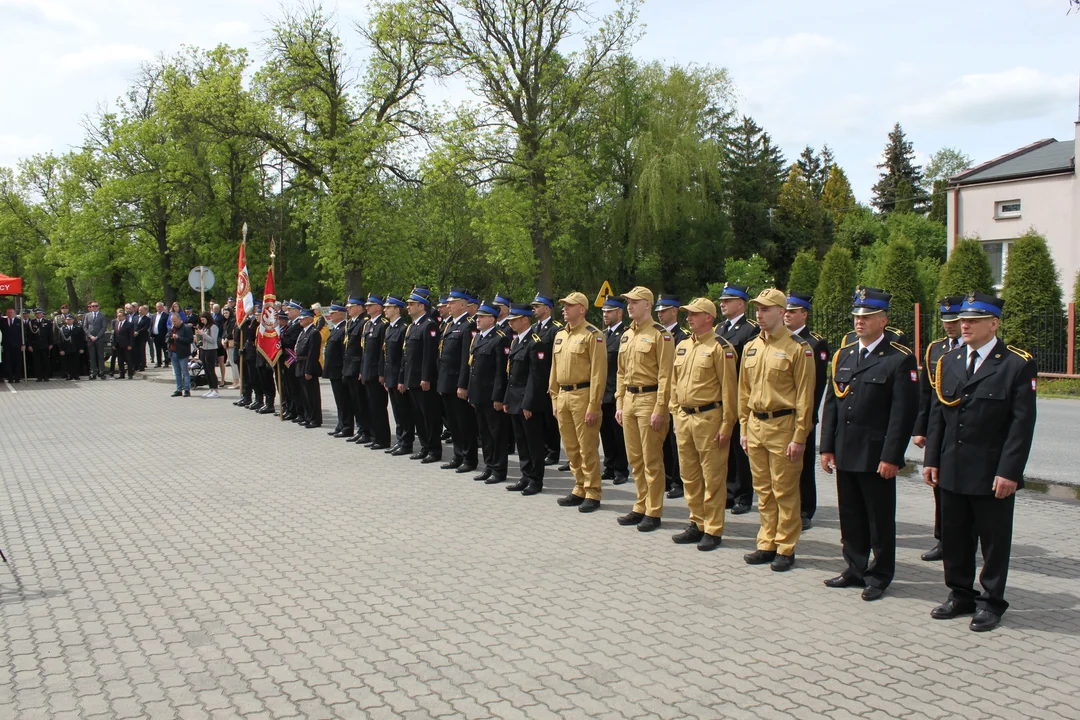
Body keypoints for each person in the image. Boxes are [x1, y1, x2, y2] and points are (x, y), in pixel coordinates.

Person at [923, 292, 1038, 633]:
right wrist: (932, 459)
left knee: (993, 540)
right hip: (953, 466)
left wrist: (1009, 471)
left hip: (991, 470)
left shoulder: (1016, 363)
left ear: (994, 323)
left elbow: (1021, 424)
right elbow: (939, 414)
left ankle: (991, 602)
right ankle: (960, 594)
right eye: (962, 320)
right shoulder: (951, 359)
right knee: (955, 537)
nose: (964, 324)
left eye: (973, 320)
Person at [820, 287, 919, 601]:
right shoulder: (844, 353)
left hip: (876, 454)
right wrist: (826, 447)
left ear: (883, 320)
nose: (860, 322)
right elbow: (833, 404)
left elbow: (902, 414)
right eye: (857, 316)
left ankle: (879, 575)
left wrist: (892, 456)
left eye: (867, 317)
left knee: (879, 518)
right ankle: (854, 567)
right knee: (850, 515)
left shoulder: (898, 359)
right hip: (846, 449)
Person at [738, 288, 815, 572]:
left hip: (783, 426)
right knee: (763, 489)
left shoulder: (798, 348)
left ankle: (786, 546)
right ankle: (766, 541)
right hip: (756, 426)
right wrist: (744, 428)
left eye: (766, 309)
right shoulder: (751, 347)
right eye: (757, 309)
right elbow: (742, 392)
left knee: (784, 490)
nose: (759, 314)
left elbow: (805, 397)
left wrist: (799, 437)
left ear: (782, 313)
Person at [662, 298, 738, 551]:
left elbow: (729, 390)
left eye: (695, 314)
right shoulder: (683, 345)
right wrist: (674, 411)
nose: (689, 318)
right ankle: (697, 521)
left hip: (709, 418)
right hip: (684, 418)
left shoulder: (720, 347)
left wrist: (727, 425)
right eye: (688, 314)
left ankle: (713, 528)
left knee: (713, 476)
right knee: (689, 475)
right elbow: (674, 382)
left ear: (708, 317)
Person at [614, 286, 675, 532]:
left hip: (649, 400)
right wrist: (619, 402)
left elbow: (666, 375)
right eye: (628, 302)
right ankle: (640, 504)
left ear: (648, 305)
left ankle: (653, 510)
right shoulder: (627, 334)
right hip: (629, 400)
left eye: (634, 302)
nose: (629, 306)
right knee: (635, 459)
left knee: (652, 460)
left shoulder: (660, 335)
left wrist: (661, 409)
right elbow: (620, 372)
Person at [911, 296, 965, 562]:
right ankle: (943, 539)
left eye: (954, 321)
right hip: (937, 427)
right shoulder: (935, 349)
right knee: (938, 485)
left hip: (964, 429)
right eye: (945, 321)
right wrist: (920, 428)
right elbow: (926, 394)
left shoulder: (973, 350)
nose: (949, 327)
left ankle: (965, 540)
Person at [550, 292, 607, 513]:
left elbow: (598, 373)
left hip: (583, 395)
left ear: (582, 309)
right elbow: (554, 370)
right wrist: (554, 397)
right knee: (571, 447)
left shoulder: (593, 335)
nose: (564, 308)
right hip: (563, 396)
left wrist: (594, 405)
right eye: (564, 305)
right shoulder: (560, 335)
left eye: (570, 305)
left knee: (587, 447)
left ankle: (593, 491)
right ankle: (579, 487)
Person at [783, 292, 830, 530]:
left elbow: (817, 385)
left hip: (803, 415)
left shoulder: (815, 343)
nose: (787, 315)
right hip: (781, 417)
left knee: (802, 464)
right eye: (786, 311)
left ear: (804, 314)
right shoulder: (779, 339)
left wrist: (807, 416)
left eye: (792, 312)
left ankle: (804, 509)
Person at [716, 283, 759, 515]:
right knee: (725, 447)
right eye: (722, 300)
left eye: (728, 300)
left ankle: (743, 495)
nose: (722, 303)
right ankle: (728, 491)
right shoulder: (719, 329)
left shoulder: (750, 330)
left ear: (741, 304)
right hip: (721, 396)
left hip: (739, 394)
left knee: (740, 449)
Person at [503, 304, 548, 495]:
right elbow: (511, 374)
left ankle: (536, 480)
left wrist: (529, 403)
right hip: (514, 399)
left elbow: (536, 377)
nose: (511, 322)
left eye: (514, 319)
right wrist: (506, 399)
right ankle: (525, 475)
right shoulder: (515, 341)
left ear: (525, 320)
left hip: (528, 401)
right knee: (521, 441)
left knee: (533, 442)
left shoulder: (535, 342)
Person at [467, 302, 512, 483]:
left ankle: (499, 470)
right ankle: (489, 466)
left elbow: (501, 372)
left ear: (492, 319)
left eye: (482, 317)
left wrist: (498, 397)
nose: (477, 319)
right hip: (478, 394)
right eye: (477, 316)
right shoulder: (477, 338)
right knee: (484, 433)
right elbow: (473, 368)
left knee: (497, 434)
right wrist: (471, 392)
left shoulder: (500, 339)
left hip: (492, 395)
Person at [438, 289, 478, 473]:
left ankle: (469, 459)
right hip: (446, 381)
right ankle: (457, 455)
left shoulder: (468, 326)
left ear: (463, 305)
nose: (448, 306)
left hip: (457, 383)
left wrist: (463, 384)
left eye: (452, 303)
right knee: (453, 423)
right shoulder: (448, 325)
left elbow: (465, 359)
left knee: (464, 423)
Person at [403, 292, 442, 463]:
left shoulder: (429, 325)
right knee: (418, 416)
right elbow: (407, 356)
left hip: (423, 380)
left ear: (421, 306)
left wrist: (426, 377)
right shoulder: (412, 326)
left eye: (412, 304)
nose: (408, 307)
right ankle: (425, 447)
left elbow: (429, 355)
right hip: (412, 378)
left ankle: (434, 450)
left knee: (429, 416)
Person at [656, 294, 688, 499]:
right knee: (663, 441)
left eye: (664, 310)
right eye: (658, 310)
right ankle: (666, 477)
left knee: (675, 441)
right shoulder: (657, 334)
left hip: (674, 394)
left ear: (674, 311)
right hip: (658, 394)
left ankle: (678, 481)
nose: (660, 313)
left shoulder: (682, 336)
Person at [599, 297, 630, 486]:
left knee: (619, 434)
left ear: (619, 313)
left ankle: (621, 469)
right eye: (603, 312)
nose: (605, 315)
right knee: (606, 434)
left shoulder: (625, 335)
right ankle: (609, 466)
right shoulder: (603, 335)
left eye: (609, 311)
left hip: (617, 392)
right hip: (603, 392)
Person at [530, 294, 563, 466]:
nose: (534, 309)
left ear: (547, 308)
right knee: (540, 418)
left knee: (551, 420)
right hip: (536, 380)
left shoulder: (556, 329)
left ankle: (553, 451)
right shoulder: (534, 328)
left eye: (537, 306)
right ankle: (543, 448)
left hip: (549, 380)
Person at [382, 295, 414, 456]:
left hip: (399, 376)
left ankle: (406, 443)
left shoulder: (403, 328)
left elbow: (404, 357)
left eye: (388, 307)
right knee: (397, 411)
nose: (385, 310)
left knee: (404, 411)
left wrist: (402, 379)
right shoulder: (389, 328)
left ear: (397, 309)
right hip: (391, 376)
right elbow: (386, 355)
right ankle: (400, 440)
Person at [361, 295, 392, 449]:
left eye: (371, 305)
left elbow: (383, 352)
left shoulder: (383, 325)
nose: (367, 308)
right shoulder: (368, 325)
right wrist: (362, 371)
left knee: (378, 407)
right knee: (371, 406)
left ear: (379, 307)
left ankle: (382, 438)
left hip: (376, 372)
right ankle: (374, 436)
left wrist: (381, 373)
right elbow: (365, 351)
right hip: (367, 371)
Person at [343, 297, 370, 442]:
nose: (348, 309)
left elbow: (362, 349)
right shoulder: (351, 323)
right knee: (355, 401)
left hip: (357, 367)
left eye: (351, 306)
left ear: (360, 307)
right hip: (349, 367)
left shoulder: (363, 323)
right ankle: (361, 428)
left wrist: (361, 369)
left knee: (361, 402)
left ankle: (366, 430)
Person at [323, 302, 353, 438]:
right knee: (339, 401)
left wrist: (343, 371)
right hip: (334, 371)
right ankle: (341, 424)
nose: (330, 315)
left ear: (341, 314)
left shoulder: (343, 329)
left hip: (339, 370)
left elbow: (343, 353)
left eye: (333, 313)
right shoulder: (335, 329)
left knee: (344, 401)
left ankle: (347, 426)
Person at [293, 308, 323, 427]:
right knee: (304, 394)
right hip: (300, 364)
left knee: (312, 395)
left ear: (310, 319)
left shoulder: (314, 332)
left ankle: (315, 419)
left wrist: (309, 370)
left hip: (308, 365)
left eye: (303, 318)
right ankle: (307, 416)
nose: (300, 321)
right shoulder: (303, 332)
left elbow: (313, 353)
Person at [279, 301, 304, 420]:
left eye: (290, 310)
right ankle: (290, 409)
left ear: (297, 311)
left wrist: (279, 342)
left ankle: (297, 411)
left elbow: (291, 341)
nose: (287, 312)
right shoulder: (291, 324)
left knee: (295, 387)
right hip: (287, 359)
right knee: (288, 387)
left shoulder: (299, 324)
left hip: (292, 359)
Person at [194, 312, 221, 397]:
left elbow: (213, 340)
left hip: (211, 350)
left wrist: (203, 334)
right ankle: (211, 388)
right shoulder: (205, 327)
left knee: (211, 370)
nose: (202, 322)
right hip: (204, 349)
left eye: (203, 320)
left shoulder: (213, 327)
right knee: (206, 370)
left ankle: (216, 390)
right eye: (201, 320)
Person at [169, 312, 194, 397]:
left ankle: (187, 389)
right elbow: (167, 337)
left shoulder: (186, 328)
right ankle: (179, 389)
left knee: (185, 372)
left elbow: (190, 340)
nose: (174, 323)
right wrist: (170, 338)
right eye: (172, 321)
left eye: (175, 321)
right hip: (173, 352)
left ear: (179, 319)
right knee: (177, 373)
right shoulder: (172, 328)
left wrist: (179, 338)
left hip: (183, 353)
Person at [83, 300, 109, 379]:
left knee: (100, 356)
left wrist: (97, 336)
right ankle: (93, 372)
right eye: (92, 306)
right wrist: (90, 336)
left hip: (99, 339)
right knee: (92, 357)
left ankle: (101, 372)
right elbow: (85, 327)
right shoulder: (87, 315)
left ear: (98, 307)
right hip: (90, 339)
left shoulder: (102, 315)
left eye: (96, 306)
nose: (94, 307)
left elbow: (104, 327)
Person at [27, 309, 53, 381]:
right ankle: (39, 376)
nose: (38, 315)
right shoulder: (31, 322)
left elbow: (50, 334)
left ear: (42, 314)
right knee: (37, 362)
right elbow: (29, 335)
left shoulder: (47, 322)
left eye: (39, 313)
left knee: (45, 361)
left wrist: (51, 343)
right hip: (35, 345)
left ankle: (46, 376)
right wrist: (29, 345)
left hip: (45, 345)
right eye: (36, 313)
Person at [57, 314, 85, 380]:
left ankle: (76, 375)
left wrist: (81, 348)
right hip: (66, 349)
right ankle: (69, 375)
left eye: (70, 319)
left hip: (76, 348)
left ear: (73, 320)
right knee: (67, 362)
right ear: (65, 320)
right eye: (67, 320)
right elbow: (60, 340)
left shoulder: (78, 328)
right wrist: (61, 349)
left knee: (76, 362)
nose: (69, 321)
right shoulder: (62, 329)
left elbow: (81, 339)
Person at [1, 307, 24, 383]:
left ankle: (17, 377)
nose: (10, 314)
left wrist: (23, 344)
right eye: (8, 312)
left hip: (17, 345)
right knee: (7, 361)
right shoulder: (2, 321)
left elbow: (23, 334)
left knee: (17, 361)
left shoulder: (19, 321)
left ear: (14, 313)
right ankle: (10, 377)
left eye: (11, 312)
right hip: (6, 345)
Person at [112, 308, 135, 379]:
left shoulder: (129, 324)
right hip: (118, 345)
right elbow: (115, 334)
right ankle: (121, 374)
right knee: (120, 360)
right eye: (118, 316)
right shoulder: (116, 323)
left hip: (126, 345)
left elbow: (131, 336)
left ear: (124, 316)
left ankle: (130, 374)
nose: (118, 317)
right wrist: (114, 344)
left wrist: (130, 345)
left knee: (128, 360)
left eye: (120, 316)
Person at [149, 302, 169, 368]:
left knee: (165, 349)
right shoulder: (154, 315)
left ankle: (166, 362)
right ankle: (159, 362)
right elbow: (152, 325)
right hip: (156, 335)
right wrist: (151, 334)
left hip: (163, 335)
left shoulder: (166, 315)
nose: (158, 308)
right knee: (157, 349)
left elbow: (167, 326)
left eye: (160, 306)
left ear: (162, 307)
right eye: (157, 306)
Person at [133, 305, 151, 373]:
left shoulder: (147, 319)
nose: (140, 311)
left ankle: (142, 365)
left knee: (141, 351)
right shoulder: (135, 318)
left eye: (142, 310)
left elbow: (146, 327)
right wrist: (133, 332)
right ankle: (136, 365)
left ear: (144, 311)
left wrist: (138, 332)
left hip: (142, 337)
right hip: (135, 337)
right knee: (135, 351)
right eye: (139, 310)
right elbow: (133, 326)